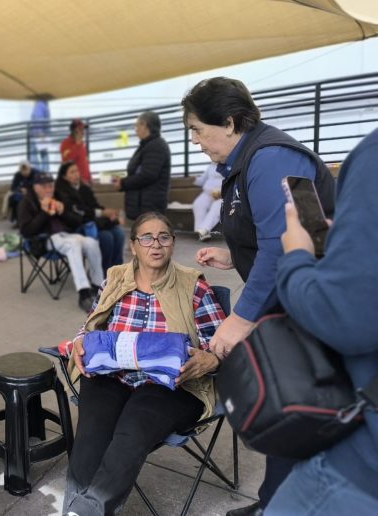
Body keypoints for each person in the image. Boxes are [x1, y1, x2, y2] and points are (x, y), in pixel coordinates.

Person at [182, 77, 336, 516]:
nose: (195, 141)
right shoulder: (249, 158)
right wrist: (236, 256)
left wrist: (239, 318)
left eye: (197, 129)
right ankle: (276, 503)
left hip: (314, 305)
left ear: (228, 122)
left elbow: (290, 243)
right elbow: (280, 231)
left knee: (301, 407)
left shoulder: (271, 158)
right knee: (291, 409)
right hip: (293, 298)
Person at [63, 212, 226, 515]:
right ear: (134, 246)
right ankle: (75, 509)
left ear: (173, 244)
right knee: (92, 434)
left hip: (170, 384)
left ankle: (85, 511)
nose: (156, 244)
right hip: (112, 375)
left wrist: (208, 358)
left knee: (130, 436)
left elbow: (223, 344)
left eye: (164, 237)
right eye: (146, 238)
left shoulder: (194, 287)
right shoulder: (114, 279)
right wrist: (80, 343)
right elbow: (90, 326)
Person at [264, 129, 378, 514]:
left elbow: (342, 316)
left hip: (362, 469)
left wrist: (296, 256)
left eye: (197, 129)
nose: (194, 140)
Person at [17, 171, 104, 312]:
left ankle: (98, 286)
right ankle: (84, 294)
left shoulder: (59, 197)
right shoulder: (26, 203)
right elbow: (26, 231)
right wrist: (44, 213)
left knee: (91, 243)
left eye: (50, 186)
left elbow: (77, 221)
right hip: (43, 240)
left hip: (66, 235)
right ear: (35, 187)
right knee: (73, 245)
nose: (48, 190)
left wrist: (63, 212)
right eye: (44, 187)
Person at [54, 160, 125, 272]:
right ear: (64, 177)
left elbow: (95, 206)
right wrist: (101, 213)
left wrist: (109, 213)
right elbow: (78, 211)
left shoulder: (84, 188)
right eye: (72, 172)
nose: (76, 174)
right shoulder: (61, 192)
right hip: (75, 226)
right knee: (106, 237)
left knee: (119, 233)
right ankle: (103, 273)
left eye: (77, 171)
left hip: (92, 224)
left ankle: (117, 271)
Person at [113, 111, 171, 221]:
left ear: (144, 125)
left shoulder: (155, 146)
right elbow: (139, 172)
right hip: (143, 204)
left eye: (137, 125)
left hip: (148, 205)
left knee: (149, 236)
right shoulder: (148, 145)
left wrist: (123, 183)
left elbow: (147, 175)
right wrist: (122, 182)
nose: (135, 129)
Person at [192, 162, 223, 241]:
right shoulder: (211, 166)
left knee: (217, 205)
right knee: (198, 204)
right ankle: (199, 231)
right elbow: (201, 180)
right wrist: (194, 179)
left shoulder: (231, 164)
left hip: (222, 194)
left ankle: (204, 230)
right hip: (207, 193)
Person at [60, 119, 91, 185]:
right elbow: (67, 162)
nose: (83, 132)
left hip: (85, 182)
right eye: (80, 129)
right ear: (74, 131)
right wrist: (77, 144)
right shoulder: (66, 144)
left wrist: (89, 177)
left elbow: (85, 162)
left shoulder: (82, 144)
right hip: (74, 183)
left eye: (83, 129)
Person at [7, 160, 36, 226]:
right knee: (13, 199)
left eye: (26, 170)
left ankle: (28, 220)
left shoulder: (35, 173)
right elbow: (13, 187)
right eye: (22, 170)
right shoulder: (17, 175)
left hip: (34, 193)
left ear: (29, 168)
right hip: (20, 194)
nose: (24, 172)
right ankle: (17, 220)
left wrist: (29, 190)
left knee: (26, 200)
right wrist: (20, 189)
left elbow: (39, 185)